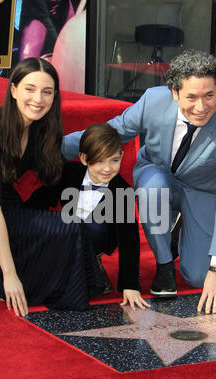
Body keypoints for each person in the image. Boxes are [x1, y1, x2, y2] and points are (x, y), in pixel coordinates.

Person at [62, 50, 216, 315]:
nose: (201, 106)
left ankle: (179, 229)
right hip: (157, 176)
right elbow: (113, 131)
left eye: (210, 95)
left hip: (202, 191)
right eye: (191, 97)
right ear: (174, 92)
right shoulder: (153, 100)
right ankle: (164, 264)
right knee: (153, 187)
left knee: (198, 276)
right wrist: (49, 150)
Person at [0, 57, 104, 317]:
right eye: (30, 89)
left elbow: (59, 172)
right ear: (14, 89)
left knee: (67, 227)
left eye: (47, 92)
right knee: (66, 229)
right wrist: (10, 277)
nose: (38, 99)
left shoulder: (40, 127)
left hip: (5, 201)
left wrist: (99, 177)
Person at [62, 122, 150, 310]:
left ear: (122, 157)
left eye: (114, 160)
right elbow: (39, 202)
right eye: (99, 161)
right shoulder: (69, 174)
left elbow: (129, 238)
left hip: (97, 238)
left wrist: (130, 285)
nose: (107, 169)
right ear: (84, 159)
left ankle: (92, 262)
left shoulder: (121, 190)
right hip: (67, 238)